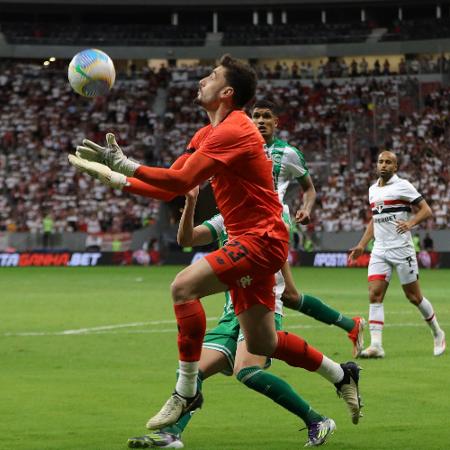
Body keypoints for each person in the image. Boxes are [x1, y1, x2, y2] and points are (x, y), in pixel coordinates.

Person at [69, 55, 362, 443]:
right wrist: (117, 177)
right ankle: (342, 374)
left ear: (226, 92)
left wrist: (127, 166)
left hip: (261, 239)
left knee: (182, 287)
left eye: (210, 76)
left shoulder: (237, 128)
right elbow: (173, 186)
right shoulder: (206, 135)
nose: (201, 80)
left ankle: (186, 393)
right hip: (249, 241)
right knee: (262, 343)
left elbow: (180, 178)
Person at [128, 187, 360, 448]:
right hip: (232, 311)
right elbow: (187, 239)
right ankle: (172, 435)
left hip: (263, 302)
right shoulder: (224, 219)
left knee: (247, 371)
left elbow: (276, 248)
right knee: (194, 371)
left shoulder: (272, 210)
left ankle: (318, 418)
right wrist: (190, 201)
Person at [251, 99, 365, 357]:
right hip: (247, 226)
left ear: (276, 122)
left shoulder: (288, 154)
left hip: (272, 226)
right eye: (256, 116)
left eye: (266, 116)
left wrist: (307, 208)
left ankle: (260, 354)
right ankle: (351, 325)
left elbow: (309, 189)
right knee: (288, 295)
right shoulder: (242, 148)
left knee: (268, 292)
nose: (260, 121)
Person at [349, 151, 446, 358]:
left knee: (414, 296)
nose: (383, 165)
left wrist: (410, 223)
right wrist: (361, 245)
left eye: (388, 162)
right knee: (375, 294)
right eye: (381, 162)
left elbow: (426, 210)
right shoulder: (372, 189)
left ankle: (438, 333)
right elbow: (375, 220)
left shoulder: (403, 186)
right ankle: (376, 346)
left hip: (402, 249)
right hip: (380, 250)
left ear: (396, 167)